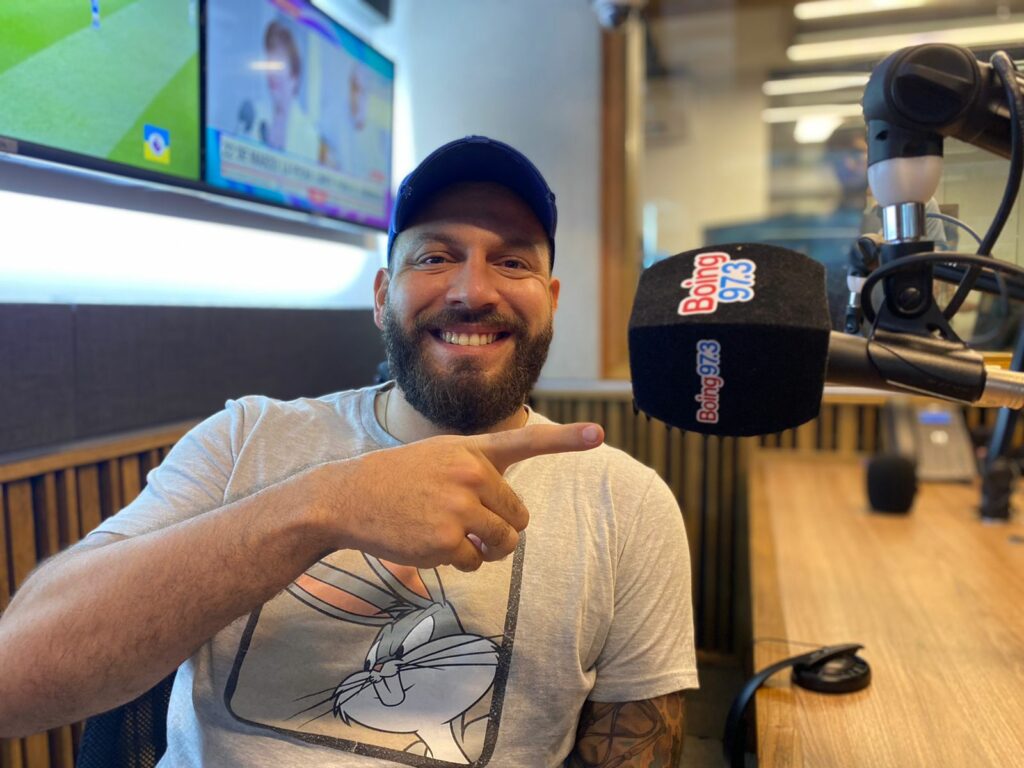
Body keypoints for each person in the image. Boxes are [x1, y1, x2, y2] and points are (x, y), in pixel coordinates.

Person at [0, 136, 698, 766]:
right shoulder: (245, 438)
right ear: (383, 294)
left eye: (511, 261)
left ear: (551, 300)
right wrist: (326, 504)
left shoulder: (628, 504)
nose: (472, 291)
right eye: (435, 256)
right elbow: (15, 680)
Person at [261, 19, 320, 162]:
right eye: (269, 61)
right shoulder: (257, 116)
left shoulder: (309, 135)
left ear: (294, 74)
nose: (272, 73)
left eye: (278, 63)